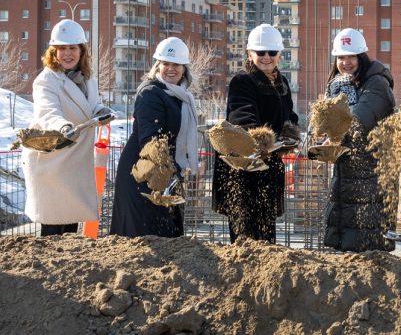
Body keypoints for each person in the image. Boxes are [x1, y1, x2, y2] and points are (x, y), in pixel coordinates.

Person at [23, 19, 113, 236]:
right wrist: (63, 125)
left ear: (82, 51)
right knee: (53, 227)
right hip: (53, 162)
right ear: (53, 52)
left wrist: (100, 111)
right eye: (62, 48)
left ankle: (67, 267)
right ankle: (48, 268)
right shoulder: (46, 81)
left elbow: (88, 106)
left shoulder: (86, 78)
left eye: (72, 48)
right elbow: (47, 112)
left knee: (71, 223)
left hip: (74, 160)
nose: (67, 54)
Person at [212, 24, 299, 243]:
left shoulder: (281, 82)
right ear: (250, 54)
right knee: (246, 231)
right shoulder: (243, 81)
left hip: (268, 163)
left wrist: (290, 132)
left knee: (266, 228)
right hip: (243, 166)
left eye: (272, 52)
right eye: (261, 52)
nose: (266, 57)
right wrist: (262, 140)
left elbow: (288, 114)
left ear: (279, 54)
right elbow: (242, 116)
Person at [110, 37, 198, 237]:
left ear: (184, 68)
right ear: (157, 66)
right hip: (144, 174)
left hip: (165, 172)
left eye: (176, 64)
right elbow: (151, 141)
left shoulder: (178, 95)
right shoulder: (151, 93)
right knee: (146, 238)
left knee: (167, 237)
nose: (170, 69)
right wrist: (169, 172)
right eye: (165, 63)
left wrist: (173, 172)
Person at [323, 28, 396, 252]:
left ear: (361, 57)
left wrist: (336, 135)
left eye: (351, 56)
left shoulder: (376, 84)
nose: (346, 62)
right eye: (341, 57)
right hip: (347, 173)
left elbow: (360, 120)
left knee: (367, 243)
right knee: (347, 244)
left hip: (371, 176)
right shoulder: (342, 84)